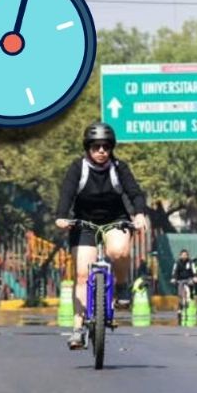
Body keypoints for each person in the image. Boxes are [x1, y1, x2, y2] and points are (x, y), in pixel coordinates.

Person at [55, 122, 148, 349]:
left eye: (105, 146)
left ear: (111, 148)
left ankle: (122, 285)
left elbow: (135, 193)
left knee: (118, 250)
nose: (101, 151)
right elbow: (67, 193)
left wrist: (139, 214)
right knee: (81, 275)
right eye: (96, 146)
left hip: (115, 219)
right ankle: (78, 329)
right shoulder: (78, 168)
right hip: (84, 223)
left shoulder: (119, 168)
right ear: (88, 147)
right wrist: (61, 216)